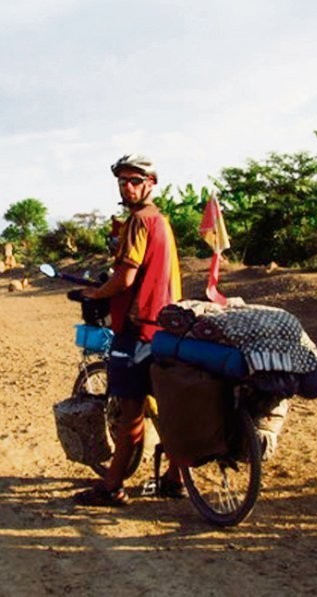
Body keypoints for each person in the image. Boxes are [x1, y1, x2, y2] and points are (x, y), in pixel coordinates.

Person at [74, 153, 183, 507]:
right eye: (122, 181)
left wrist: (95, 292)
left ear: (150, 184)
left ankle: (112, 485)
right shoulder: (160, 221)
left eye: (135, 180)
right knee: (163, 407)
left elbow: (126, 277)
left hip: (137, 328)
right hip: (164, 326)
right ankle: (174, 478)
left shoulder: (139, 221)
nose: (128, 186)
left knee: (129, 412)